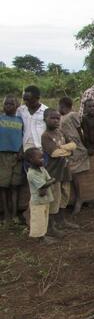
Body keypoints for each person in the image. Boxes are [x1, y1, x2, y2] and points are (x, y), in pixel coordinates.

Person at [41, 109, 80, 232]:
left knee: (64, 196)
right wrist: (67, 150)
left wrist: (63, 148)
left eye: (58, 118)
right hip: (53, 172)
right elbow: (55, 153)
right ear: (45, 119)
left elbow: (74, 145)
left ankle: (62, 221)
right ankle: (51, 226)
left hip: (65, 170)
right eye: (52, 118)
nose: (56, 121)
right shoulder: (46, 136)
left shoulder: (60, 132)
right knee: (55, 198)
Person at [59, 97, 90, 215]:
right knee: (69, 174)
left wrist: (85, 145)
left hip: (76, 148)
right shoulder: (61, 117)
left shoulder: (72, 115)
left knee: (73, 174)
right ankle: (71, 200)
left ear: (62, 105)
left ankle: (79, 199)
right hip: (68, 148)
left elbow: (80, 130)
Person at [25, 147, 57, 244]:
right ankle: (41, 238)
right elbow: (45, 183)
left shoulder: (42, 169)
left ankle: (43, 236)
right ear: (31, 160)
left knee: (44, 219)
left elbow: (48, 180)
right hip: (37, 201)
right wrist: (51, 181)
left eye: (42, 157)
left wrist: (49, 182)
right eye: (40, 158)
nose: (43, 159)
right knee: (38, 220)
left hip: (45, 198)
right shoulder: (31, 173)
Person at [0, 95, 24, 224]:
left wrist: (21, 151)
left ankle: (15, 214)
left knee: (15, 186)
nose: (8, 106)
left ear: (17, 106)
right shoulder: (0, 118)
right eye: (6, 104)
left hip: (17, 156)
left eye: (11, 104)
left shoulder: (20, 120)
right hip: (2, 156)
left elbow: (24, 137)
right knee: (3, 187)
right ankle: (6, 215)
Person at [16, 85, 48, 151]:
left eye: (29, 100)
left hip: (42, 148)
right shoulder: (20, 110)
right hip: (25, 148)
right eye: (24, 99)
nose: (26, 102)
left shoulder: (46, 111)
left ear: (37, 98)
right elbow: (18, 129)